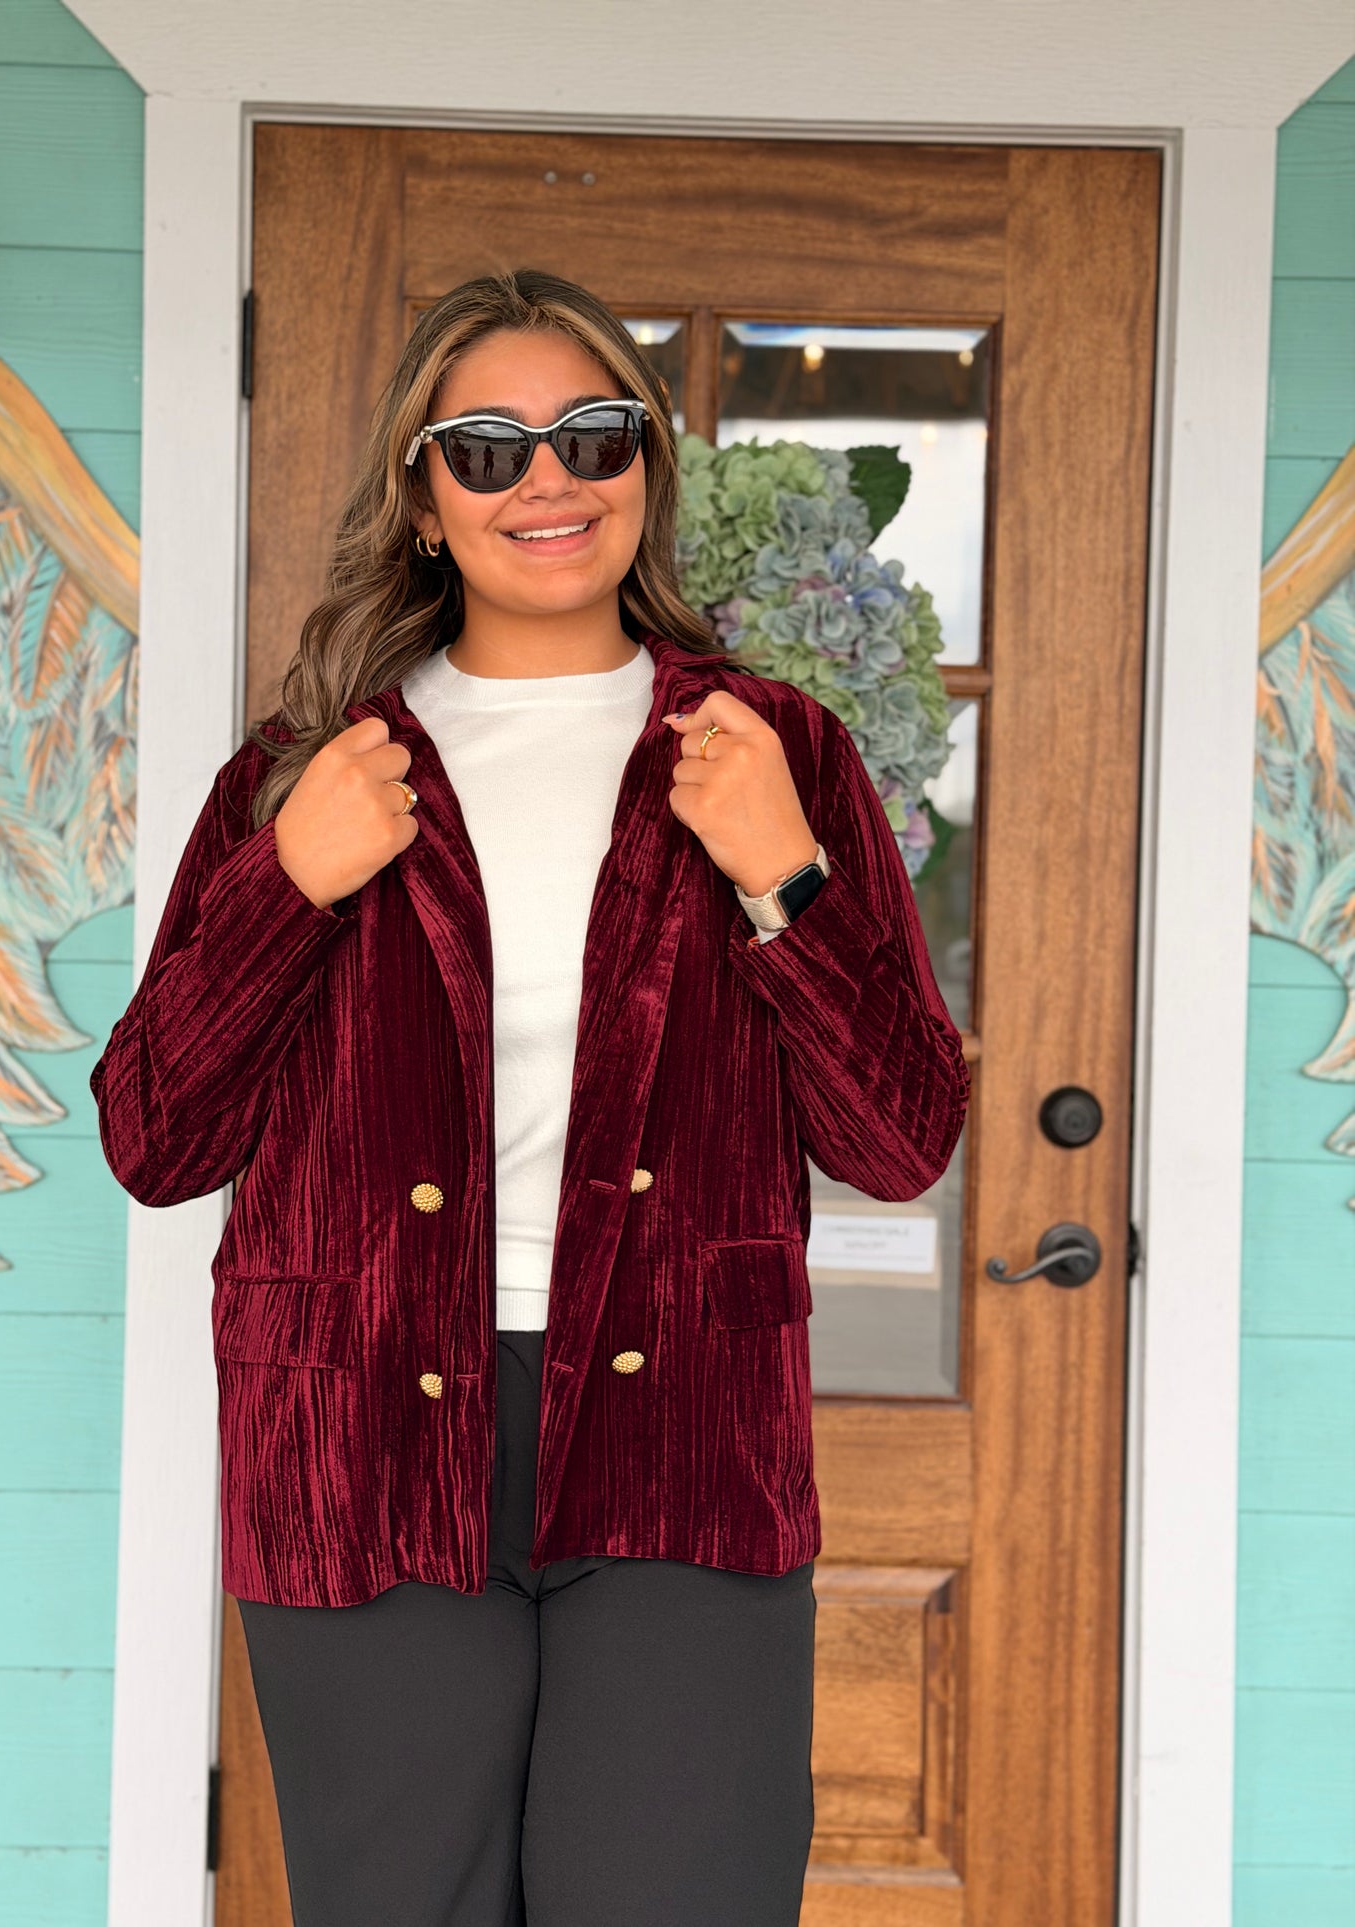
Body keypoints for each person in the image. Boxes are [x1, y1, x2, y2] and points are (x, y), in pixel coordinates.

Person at [90, 266, 970, 1926]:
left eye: (591, 434)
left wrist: (783, 871)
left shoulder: (775, 752)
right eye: (485, 447)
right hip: (359, 1431)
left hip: (682, 1441)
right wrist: (289, 885)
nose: (545, 478)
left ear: (649, 470)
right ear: (422, 499)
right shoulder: (305, 771)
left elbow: (893, 1133)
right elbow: (156, 1135)